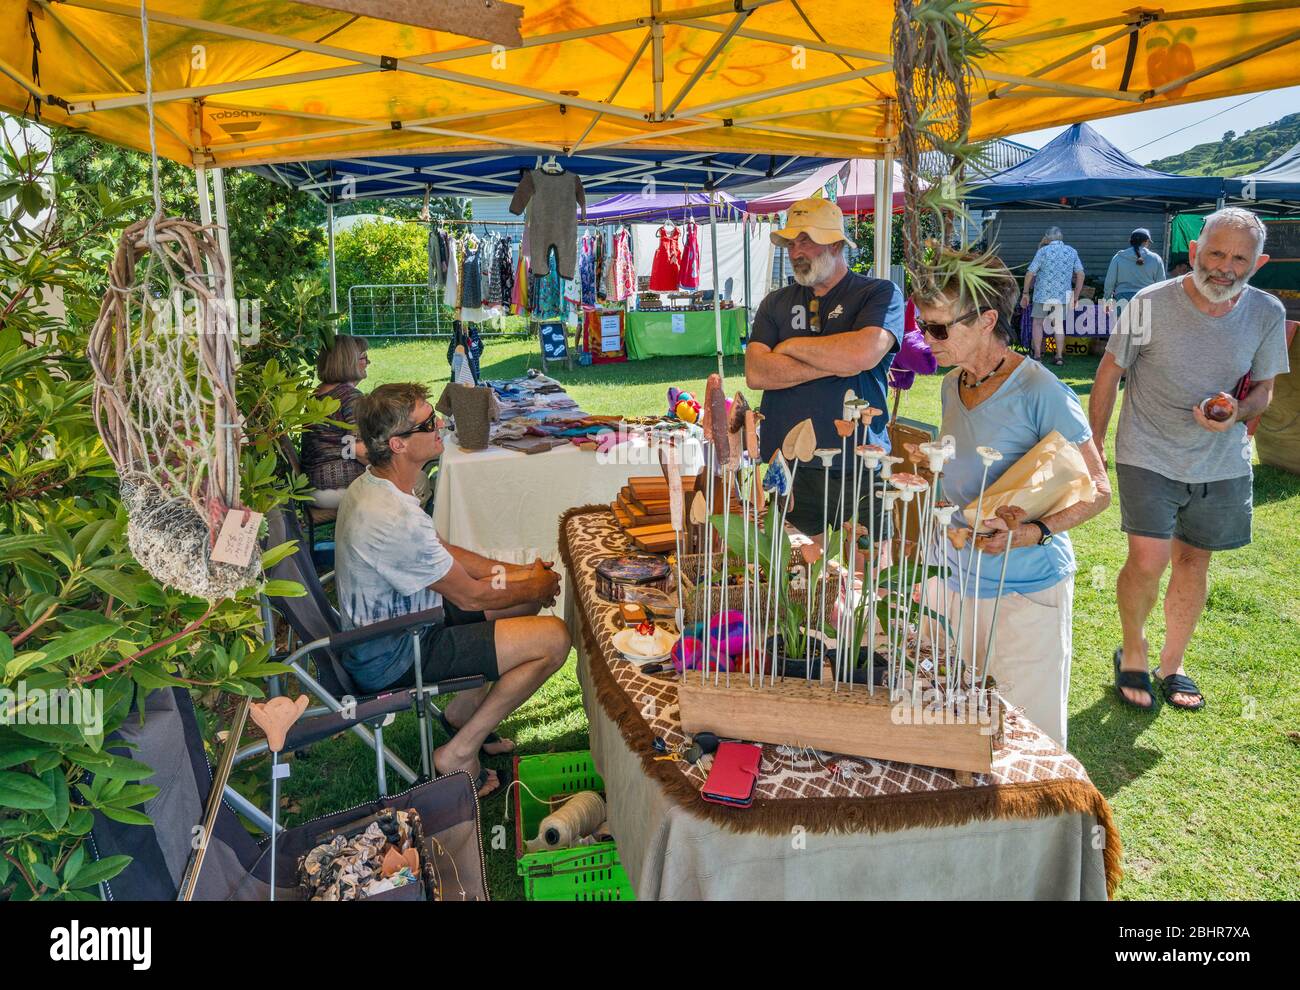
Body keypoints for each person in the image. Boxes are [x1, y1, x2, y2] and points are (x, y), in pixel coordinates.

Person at [1090, 207, 1288, 712]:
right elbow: (1110, 373)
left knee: (1193, 561)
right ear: (1195, 252)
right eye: (1215, 253)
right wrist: (1092, 447)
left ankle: (1172, 664)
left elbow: (1264, 389)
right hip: (1148, 451)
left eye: (1238, 258)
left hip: (1220, 462)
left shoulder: (1268, 313)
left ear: (1257, 263)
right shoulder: (1148, 303)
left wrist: (1239, 411)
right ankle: (1133, 651)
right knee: (1148, 559)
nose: (1224, 266)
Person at [334, 383, 570, 797]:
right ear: (398, 444)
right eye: (428, 423)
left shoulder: (378, 486)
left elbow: (444, 551)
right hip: (395, 652)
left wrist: (521, 576)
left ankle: (463, 714)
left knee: (526, 597)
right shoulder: (392, 517)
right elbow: (471, 597)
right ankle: (459, 752)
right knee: (555, 638)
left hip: (406, 623)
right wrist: (529, 581)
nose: (440, 424)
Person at [914, 253, 1111, 747]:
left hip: (1027, 588)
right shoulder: (952, 383)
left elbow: (1100, 490)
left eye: (937, 329)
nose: (925, 339)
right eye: (922, 325)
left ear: (986, 321)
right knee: (963, 714)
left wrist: (1028, 533)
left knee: (1031, 730)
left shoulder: (1041, 389)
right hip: (960, 579)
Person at [744, 197, 904, 538]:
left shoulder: (879, 293)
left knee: (866, 573)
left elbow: (862, 354)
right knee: (794, 573)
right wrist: (836, 363)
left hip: (859, 463)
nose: (795, 251)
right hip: (787, 463)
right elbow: (757, 373)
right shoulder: (775, 302)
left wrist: (790, 347)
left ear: (835, 244)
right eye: (791, 243)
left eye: (806, 241)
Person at [299, 335, 370, 511]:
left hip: (314, 485)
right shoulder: (349, 397)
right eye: (363, 357)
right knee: (416, 482)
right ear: (348, 361)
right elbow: (359, 449)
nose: (368, 362)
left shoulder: (319, 393)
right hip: (335, 486)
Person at [1021, 227, 1084, 366]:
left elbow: (1030, 272)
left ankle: (1037, 356)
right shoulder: (1071, 251)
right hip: (1061, 295)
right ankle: (1059, 357)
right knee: (1059, 325)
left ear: (1047, 238)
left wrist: (1025, 293)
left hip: (1042, 294)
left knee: (1037, 323)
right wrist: (1076, 295)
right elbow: (1080, 273)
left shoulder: (1042, 252)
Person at [1103, 228, 1166, 305]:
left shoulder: (1118, 257)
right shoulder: (1156, 258)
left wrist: (1107, 299)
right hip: (1146, 298)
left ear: (1131, 241)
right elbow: (1161, 283)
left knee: (1123, 318)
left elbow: (1110, 282)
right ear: (1146, 241)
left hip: (1122, 299)